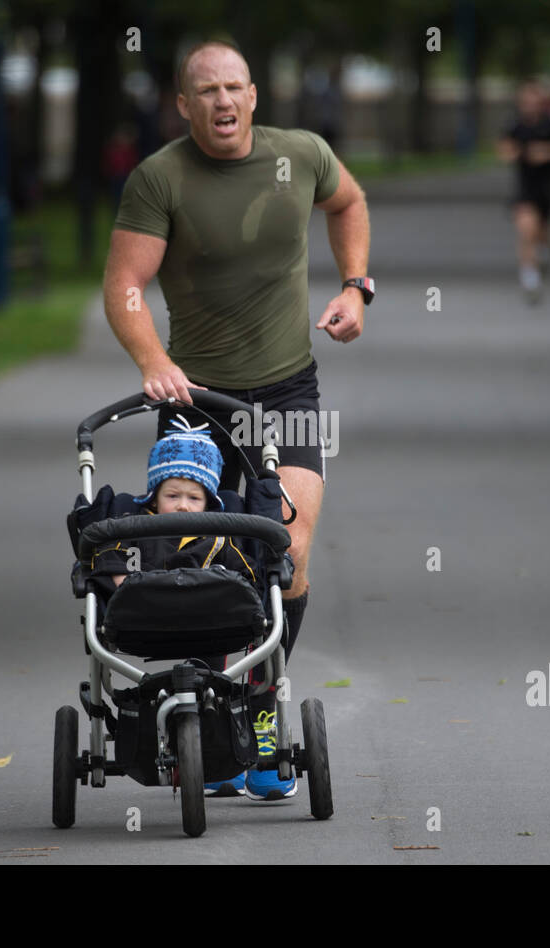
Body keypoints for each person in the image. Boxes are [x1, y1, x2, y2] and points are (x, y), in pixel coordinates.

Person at [102, 39, 371, 800]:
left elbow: (348, 201)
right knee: (198, 561)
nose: (222, 102)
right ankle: (208, 718)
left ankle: (252, 715)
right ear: (183, 106)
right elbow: (124, 285)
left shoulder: (303, 154)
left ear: (254, 95)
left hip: (289, 391)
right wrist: (153, 361)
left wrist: (357, 285)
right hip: (196, 401)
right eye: (205, 91)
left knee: (287, 551)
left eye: (233, 88)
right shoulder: (161, 178)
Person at [85, 416, 256, 591]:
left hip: (208, 608)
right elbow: (114, 558)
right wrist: (129, 588)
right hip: (146, 605)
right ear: (154, 500)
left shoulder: (219, 540)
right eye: (173, 496)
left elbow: (246, 575)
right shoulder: (135, 530)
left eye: (194, 498)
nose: (183, 505)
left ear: (207, 505)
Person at [496, 79, 550, 304]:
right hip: (524, 187)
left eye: (535, 101)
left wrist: (546, 152)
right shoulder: (514, 124)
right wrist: (513, 153)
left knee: (542, 231)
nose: (530, 106)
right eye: (526, 101)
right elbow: (503, 149)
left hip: (548, 185)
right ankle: (529, 278)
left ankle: (542, 255)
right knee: (526, 229)